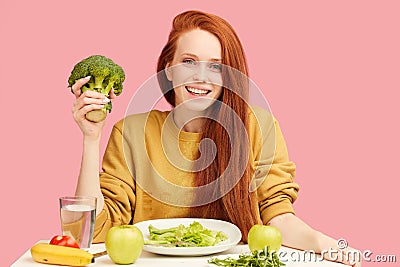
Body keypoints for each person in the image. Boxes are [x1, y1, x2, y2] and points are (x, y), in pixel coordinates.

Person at [70, 10, 361, 266]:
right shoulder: (131, 132)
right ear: (169, 69)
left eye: (215, 66)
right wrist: (91, 138)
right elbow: (93, 231)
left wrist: (326, 244)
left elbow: (279, 216)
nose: (201, 77)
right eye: (188, 61)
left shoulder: (257, 125)